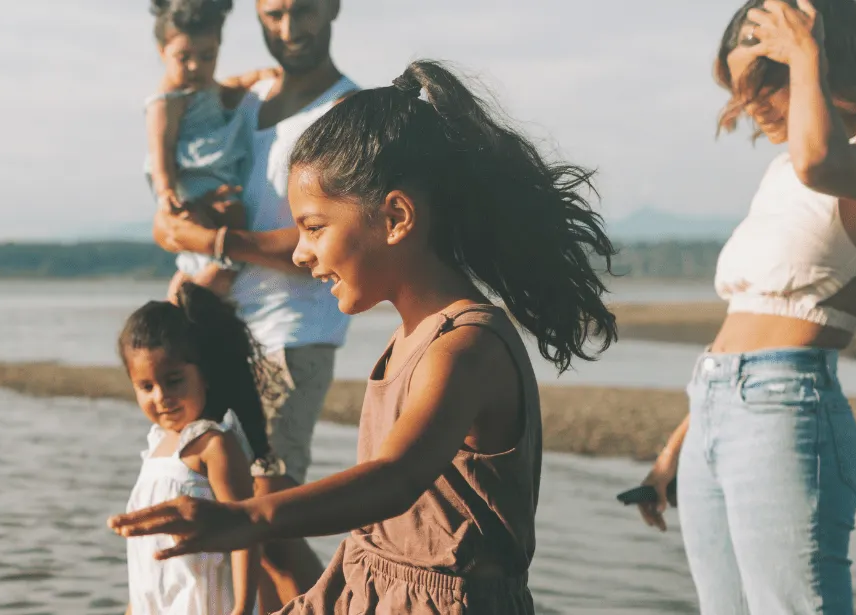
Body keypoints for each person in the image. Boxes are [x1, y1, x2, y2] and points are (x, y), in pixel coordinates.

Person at [116, 60, 619, 614]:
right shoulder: (403, 345)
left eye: (313, 227)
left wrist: (247, 517)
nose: (301, 253)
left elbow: (395, 480)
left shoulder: (466, 346)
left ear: (397, 217)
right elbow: (375, 551)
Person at [631, 1, 856, 613]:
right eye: (740, 89)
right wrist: (677, 447)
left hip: (786, 407)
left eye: (764, 82)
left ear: (818, 57)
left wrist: (806, 50)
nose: (752, 105)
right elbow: (742, 328)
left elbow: (820, 159)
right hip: (714, 405)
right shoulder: (779, 174)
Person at [149, 0, 356, 603]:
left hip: (293, 332)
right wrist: (173, 224)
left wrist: (216, 243)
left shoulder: (346, 109)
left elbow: (332, 230)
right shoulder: (248, 98)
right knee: (227, 509)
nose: (290, 30)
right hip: (222, 329)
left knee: (268, 518)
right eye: (273, 13)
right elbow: (174, 110)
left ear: (334, 7)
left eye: (304, 10)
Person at [119, 282, 277, 614]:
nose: (161, 397)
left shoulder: (214, 445)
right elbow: (147, 556)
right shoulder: (156, 447)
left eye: (173, 380)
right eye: (146, 387)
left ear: (204, 374)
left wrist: (243, 608)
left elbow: (245, 532)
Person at [144, 0, 278, 297]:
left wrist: (258, 76)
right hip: (189, 179)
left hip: (216, 175)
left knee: (229, 219)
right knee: (215, 226)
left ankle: (195, 280)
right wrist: (166, 193)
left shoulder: (206, 88)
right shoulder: (165, 101)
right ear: (162, 51)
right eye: (184, 57)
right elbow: (160, 152)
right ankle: (204, 284)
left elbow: (231, 85)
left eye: (207, 56)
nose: (196, 66)